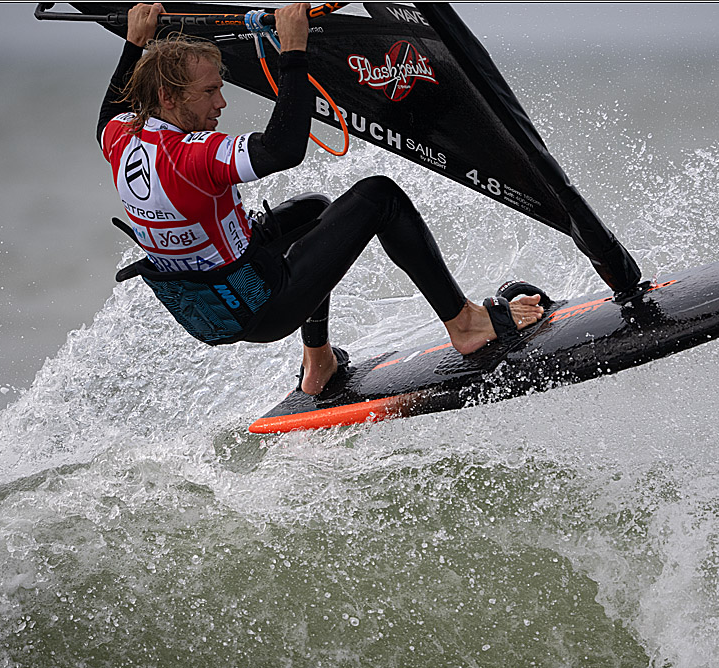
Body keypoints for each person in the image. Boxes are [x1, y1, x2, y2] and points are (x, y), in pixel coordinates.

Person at [99, 2, 544, 395]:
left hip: (215, 305)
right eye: (209, 91)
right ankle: (464, 324)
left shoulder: (119, 137)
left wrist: (135, 43)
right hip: (262, 304)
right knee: (380, 196)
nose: (221, 102)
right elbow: (283, 149)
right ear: (167, 96)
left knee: (314, 210)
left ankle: (318, 363)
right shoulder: (194, 156)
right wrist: (294, 52)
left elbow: (109, 109)